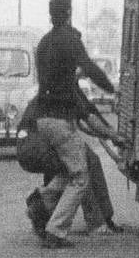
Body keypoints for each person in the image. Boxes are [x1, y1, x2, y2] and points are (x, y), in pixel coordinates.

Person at [26, 0, 121, 248]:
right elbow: (89, 68)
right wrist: (111, 88)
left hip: (42, 119)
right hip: (59, 120)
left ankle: (40, 201)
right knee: (80, 176)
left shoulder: (43, 43)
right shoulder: (70, 39)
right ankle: (55, 231)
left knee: (73, 169)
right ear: (69, 12)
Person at [19, 96, 122, 236]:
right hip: (38, 146)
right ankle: (96, 223)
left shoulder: (53, 92)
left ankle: (42, 206)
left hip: (29, 145)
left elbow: (85, 122)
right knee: (82, 167)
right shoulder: (67, 91)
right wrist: (113, 135)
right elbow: (89, 120)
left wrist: (107, 134)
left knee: (89, 160)